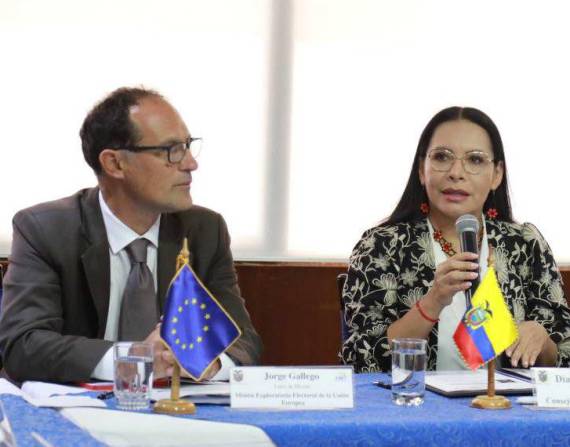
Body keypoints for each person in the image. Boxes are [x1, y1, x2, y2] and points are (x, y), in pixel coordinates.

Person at [0, 87, 262, 383]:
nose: (190, 163)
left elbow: (243, 341)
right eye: (171, 150)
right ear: (114, 163)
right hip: (73, 408)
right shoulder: (45, 230)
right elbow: (23, 344)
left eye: (188, 146)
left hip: (175, 409)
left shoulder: (205, 230)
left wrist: (207, 364)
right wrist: (134, 358)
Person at [340, 106, 570, 372]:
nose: (456, 172)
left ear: (496, 175)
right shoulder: (382, 246)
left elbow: (563, 352)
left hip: (508, 410)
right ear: (421, 171)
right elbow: (361, 360)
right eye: (442, 157)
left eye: (474, 160)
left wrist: (541, 341)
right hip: (415, 407)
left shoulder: (525, 244)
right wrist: (433, 301)